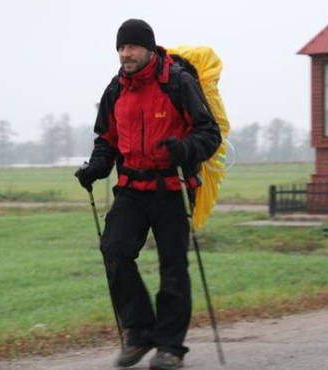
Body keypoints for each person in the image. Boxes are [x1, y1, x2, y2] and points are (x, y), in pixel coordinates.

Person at [75, 18, 221, 370]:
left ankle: (170, 347)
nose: (126, 54)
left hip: (170, 188)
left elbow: (209, 134)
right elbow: (107, 140)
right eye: (121, 48)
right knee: (114, 250)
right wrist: (96, 167)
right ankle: (140, 333)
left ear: (148, 48)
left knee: (173, 268)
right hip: (130, 189)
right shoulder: (115, 90)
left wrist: (183, 150)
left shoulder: (178, 82)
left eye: (132, 47)